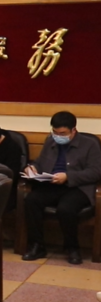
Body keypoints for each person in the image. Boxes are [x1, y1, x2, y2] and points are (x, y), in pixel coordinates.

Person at [22, 111, 101, 265]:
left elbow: (96, 171)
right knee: (31, 200)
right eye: (55, 132)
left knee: (66, 209)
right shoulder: (50, 141)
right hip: (52, 185)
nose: (58, 136)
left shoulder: (90, 144)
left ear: (73, 130)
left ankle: (72, 248)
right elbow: (40, 161)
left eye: (62, 133)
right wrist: (33, 168)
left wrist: (68, 176)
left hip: (78, 187)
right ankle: (37, 245)